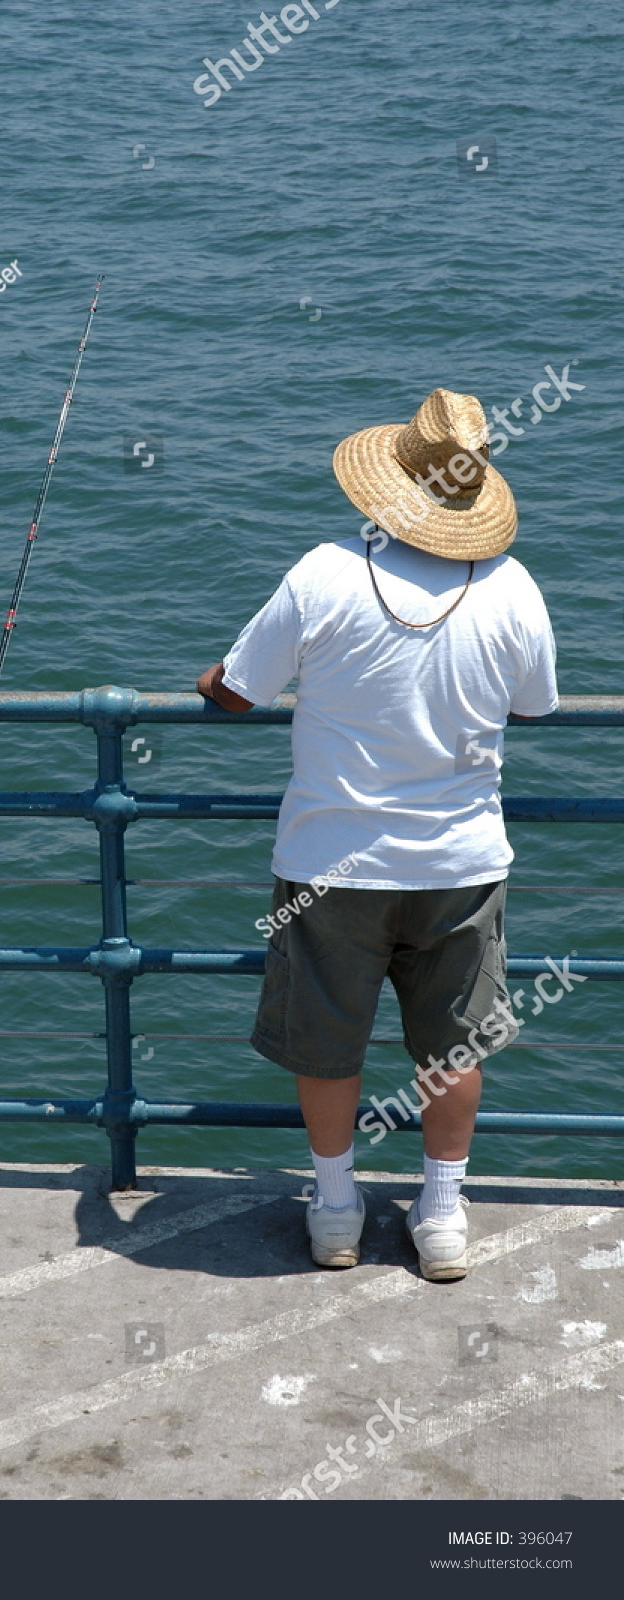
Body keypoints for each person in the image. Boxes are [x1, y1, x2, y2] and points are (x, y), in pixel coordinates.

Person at [196, 388, 558, 1281]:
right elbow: (535, 705)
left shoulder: (322, 572)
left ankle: (334, 1208)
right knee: (454, 1044)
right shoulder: (512, 587)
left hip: (329, 862)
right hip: (461, 862)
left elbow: (237, 690)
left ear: (388, 484)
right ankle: (440, 1214)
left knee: (325, 1043)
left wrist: (209, 678)